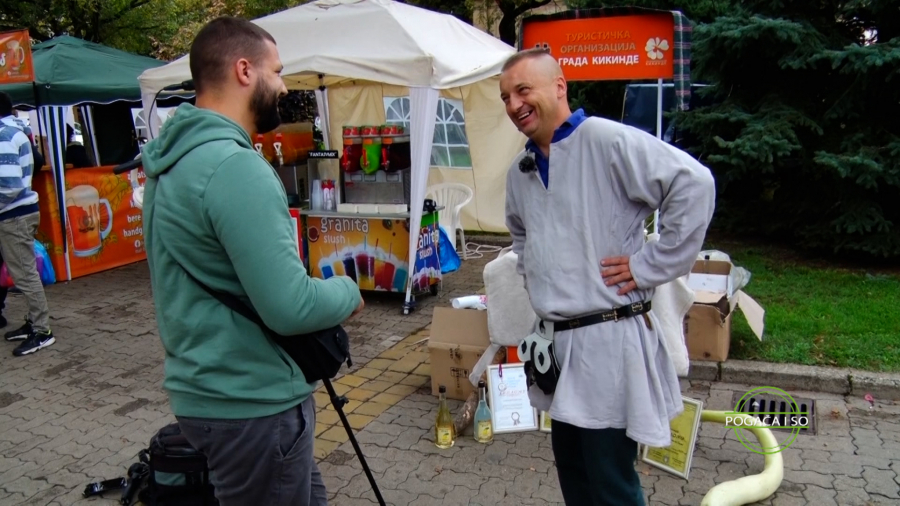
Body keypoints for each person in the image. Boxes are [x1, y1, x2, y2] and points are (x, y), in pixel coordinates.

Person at [140, 17, 363, 506]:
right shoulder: (235, 166)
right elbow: (290, 306)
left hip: (209, 394)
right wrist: (348, 289)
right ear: (245, 70)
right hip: (252, 406)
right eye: (277, 71)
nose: (283, 85)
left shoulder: (170, 161)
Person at [499, 49, 715, 505]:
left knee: (610, 485)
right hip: (558, 349)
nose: (514, 105)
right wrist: (539, 278)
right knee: (575, 477)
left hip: (608, 346)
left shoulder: (604, 140)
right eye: (505, 98)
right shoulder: (520, 171)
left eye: (523, 90)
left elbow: (693, 184)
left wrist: (647, 266)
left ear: (559, 86)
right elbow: (522, 236)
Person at [0, 91, 56, 356]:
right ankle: (35, 322)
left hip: (13, 215)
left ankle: (42, 331)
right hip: (20, 212)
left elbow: (8, 185)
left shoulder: (3, 135)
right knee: (24, 271)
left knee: (24, 274)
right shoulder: (17, 131)